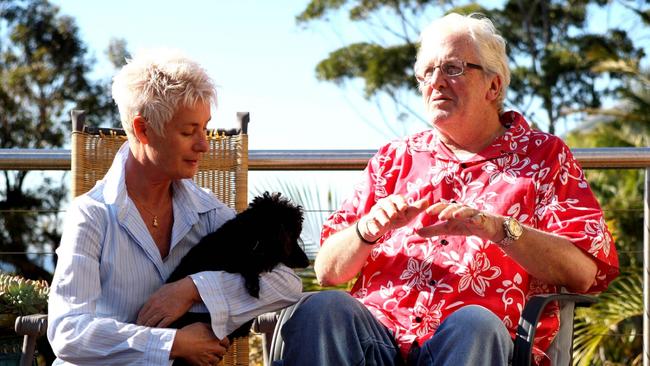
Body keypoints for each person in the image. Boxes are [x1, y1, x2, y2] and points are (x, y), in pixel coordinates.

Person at [276, 13, 619, 366]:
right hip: (377, 341)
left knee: (474, 323)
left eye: (453, 69)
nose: (436, 82)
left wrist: (498, 229)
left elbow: (583, 273)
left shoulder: (544, 158)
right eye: (427, 72)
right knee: (322, 307)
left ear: (494, 86)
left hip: (475, 345)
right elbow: (327, 272)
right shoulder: (395, 158)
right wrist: (367, 230)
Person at [47, 48, 302, 365]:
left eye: (205, 127)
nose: (204, 144)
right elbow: (68, 332)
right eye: (188, 131)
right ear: (142, 130)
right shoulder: (91, 215)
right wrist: (172, 343)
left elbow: (287, 284)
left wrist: (193, 289)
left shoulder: (207, 213)